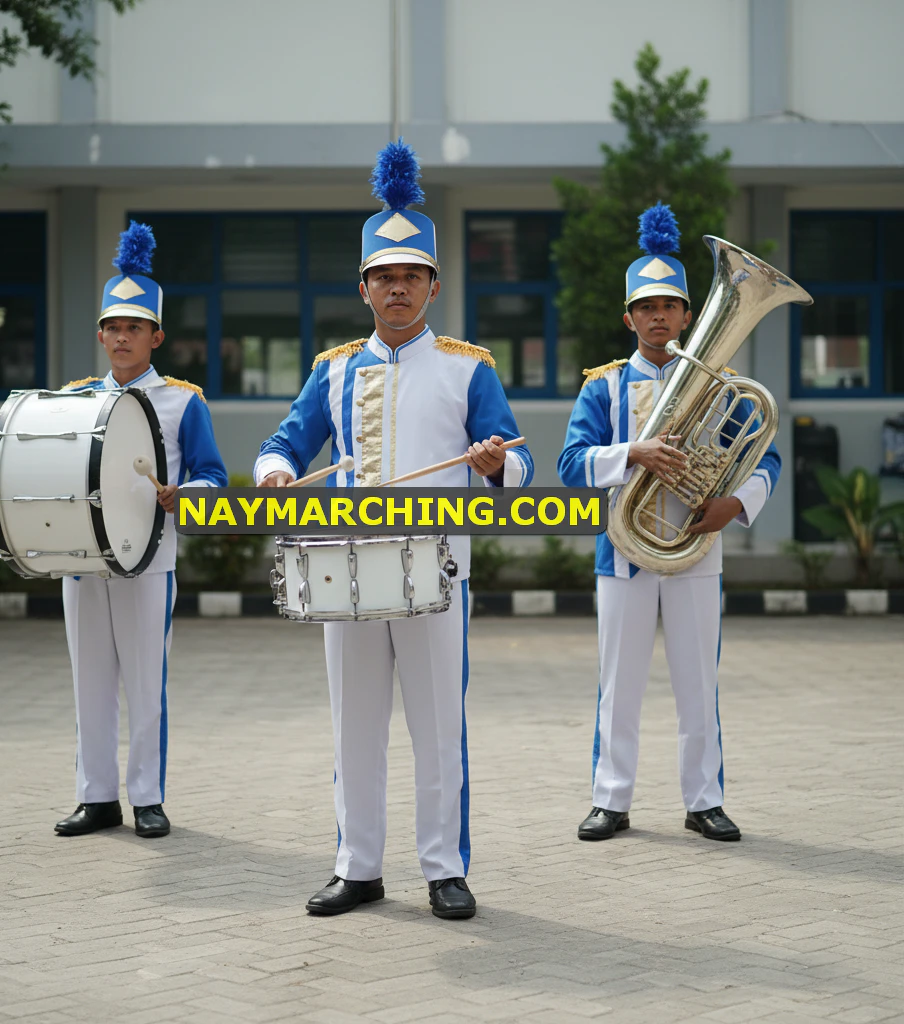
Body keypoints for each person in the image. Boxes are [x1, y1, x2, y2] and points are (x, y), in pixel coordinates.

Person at [255, 140, 533, 918]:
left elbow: (520, 462)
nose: (398, 287)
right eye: (385, 276)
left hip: (438, 570)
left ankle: (444, 867)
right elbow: (283, 444)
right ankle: (359, 866)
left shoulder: (469, 367)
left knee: (439, 725)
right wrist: (274, 475)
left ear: (433, 285)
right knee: (355, 726)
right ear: (365, 287)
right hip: (344, 568)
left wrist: (489, 464)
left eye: (411, 275)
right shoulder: (333, 368)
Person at [558, 204, 781, 843]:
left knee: (697, 684)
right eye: (646, 308)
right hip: (622, 557)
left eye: (670, 306)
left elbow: (768, 456)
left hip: (696, 552)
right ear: (628, 318)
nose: (659, 317)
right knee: (617, 687)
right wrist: (633, 452)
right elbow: (571, 464)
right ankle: (611, 800)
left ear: (688, 315)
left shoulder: (723, 385)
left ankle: (703, 800)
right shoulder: (601, 389)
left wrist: (734, 506)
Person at [54, 221, 228, 839]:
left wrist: (186, 497)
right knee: (89, 679)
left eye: (135, 327)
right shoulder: (72, 399)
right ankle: (96, 797)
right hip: (84, 558)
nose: (122, 337)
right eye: (113, 327)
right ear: (100, 334)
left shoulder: (184, 400)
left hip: (150, 559)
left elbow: (213, 475)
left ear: (157, 335)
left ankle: (147, 797)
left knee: (144, 681)